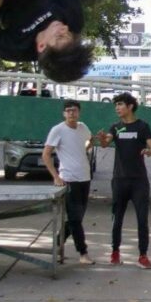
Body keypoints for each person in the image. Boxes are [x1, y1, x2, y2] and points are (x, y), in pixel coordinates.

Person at [99, 92, 151, 269]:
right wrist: (102, 139)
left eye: (120, 104)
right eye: (116, 105)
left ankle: (143, 255)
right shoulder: (115, 127)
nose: (117, 108)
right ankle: (115, 252)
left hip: (139, 181)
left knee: (142, 219)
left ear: (130, 106)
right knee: (117, 219)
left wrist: (149, 151)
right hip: (119, 180)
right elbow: (105, 143)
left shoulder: (142, 126)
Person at [43, 99, 100, 265]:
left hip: (85, 177)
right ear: (64, 113)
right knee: (75, 218)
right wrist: (56, 176)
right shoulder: (58, 130)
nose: (71, 113)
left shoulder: (83, 127)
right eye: (68, 111)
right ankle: (83, 252)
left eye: (74, 110)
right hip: (69, 179)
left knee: (77, 218)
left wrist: (92, 141)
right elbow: (46, 154)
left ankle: (56, 243)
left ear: (79, 112)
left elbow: (87, 143)